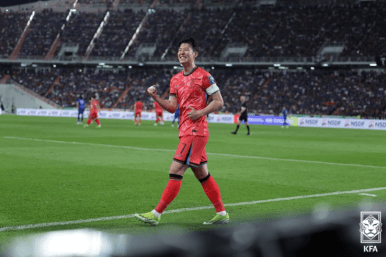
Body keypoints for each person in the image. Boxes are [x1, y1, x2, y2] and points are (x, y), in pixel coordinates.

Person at [135, 36, 229, 225]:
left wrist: (200, 112)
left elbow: (219, 102)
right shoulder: (175, 79)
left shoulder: (204, 76)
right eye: (179, 49)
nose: (181, 52)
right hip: (185, 130)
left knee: (176, 169)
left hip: (196, 131)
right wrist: (155, 97)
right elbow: (171, 107)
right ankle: (221, 213)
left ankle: (156, 214)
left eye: (186, 49)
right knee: (202, 174)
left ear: (195, 53)